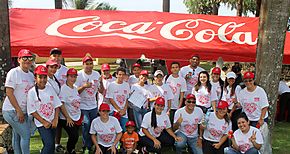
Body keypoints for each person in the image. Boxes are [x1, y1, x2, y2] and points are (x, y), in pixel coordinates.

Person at [2, 49, 35, 154]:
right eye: (24, 58)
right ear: (19, 60)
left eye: (30, 58)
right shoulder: (14, 72)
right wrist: (18, 110)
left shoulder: (30, 75)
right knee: (26, 135)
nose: (27, 60)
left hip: (23, 111)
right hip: (11, 110)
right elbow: (9, 92)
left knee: (17, 136)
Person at [27, 65, 62, 154]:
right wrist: (43, 122)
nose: (43, 80)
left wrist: (56, 119)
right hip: (42, 124)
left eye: (44, 77)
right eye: (40, 77)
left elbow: (57, 105)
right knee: (49, 144)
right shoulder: (32, 92)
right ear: (35, 78)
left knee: (50, 145)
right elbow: (32, 111)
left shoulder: (50, 88)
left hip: (53, 122)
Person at [75, 55, 103, 152]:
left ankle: (94, 144)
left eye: (91, 64)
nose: (89, 66)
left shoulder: (96, 74)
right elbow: (75, 92)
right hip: (82, 105)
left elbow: (101, 91)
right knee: (86, 124)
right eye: (87, 64)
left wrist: (101, 82)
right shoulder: (79, 75)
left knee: (94, 126)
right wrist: (84, 86)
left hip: (93, 105)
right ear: (83, 65)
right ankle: (86, 145)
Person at [49, 48, 68, 152]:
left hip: (63, 100)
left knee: (60, 123)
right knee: (51, 123)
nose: (56, 58)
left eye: (58, 56)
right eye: (54, 56)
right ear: (50, 57)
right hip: (50, 102)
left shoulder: (65, 69)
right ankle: (50, 144)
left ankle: (57, 144)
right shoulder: (47, 68)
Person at [58, 68, 82, 154]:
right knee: (74, 135)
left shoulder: (75, 88)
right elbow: (61, 104)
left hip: (76, 116)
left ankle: (71, 150)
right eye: (71, 76)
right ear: (67, 77)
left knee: (75, 136)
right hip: (66, 118)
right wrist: (67, 117)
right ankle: (69, 150)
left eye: (75, 76)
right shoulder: (64, 89)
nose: (73, 78)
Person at [106, 67, 131, 131]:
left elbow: (127, 98)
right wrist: (119, 110)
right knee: (114, 129)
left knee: (124, 129)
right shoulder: (111, 85)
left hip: (124, 112)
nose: (121, 76)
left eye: (123, 74)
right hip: (114, 111)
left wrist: (124, 109)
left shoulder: (127, 85)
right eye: (119, 74)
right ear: (116, 75)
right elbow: (111, 99)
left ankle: (123, 141)